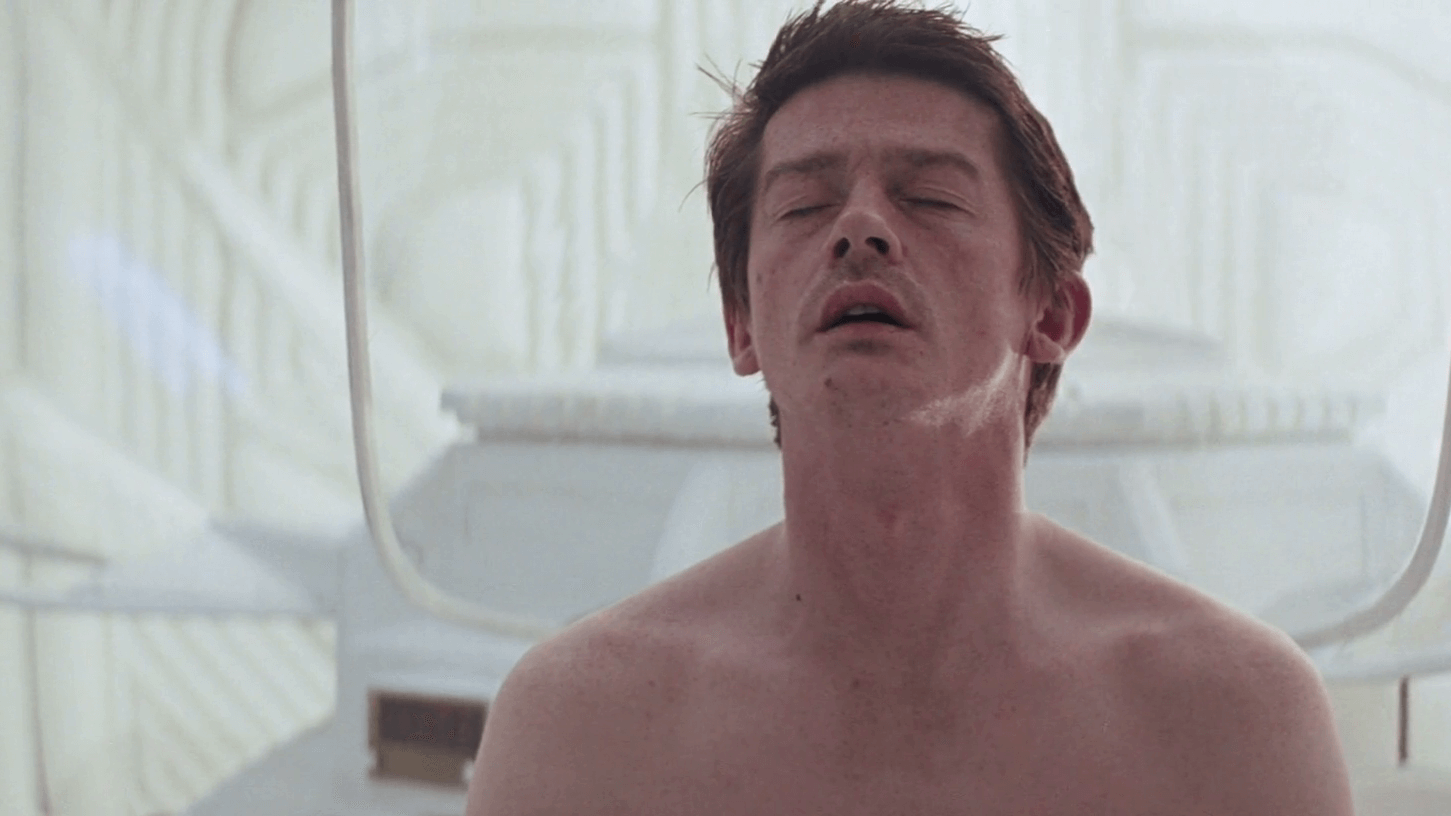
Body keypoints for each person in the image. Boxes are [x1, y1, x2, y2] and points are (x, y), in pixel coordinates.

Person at [466, 1, 1356, 812]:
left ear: (1050, 314)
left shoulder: (1229, 714)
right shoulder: (581, 725)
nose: (860, 228)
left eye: (930, 197)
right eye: (804, 206)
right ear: (741, 327)